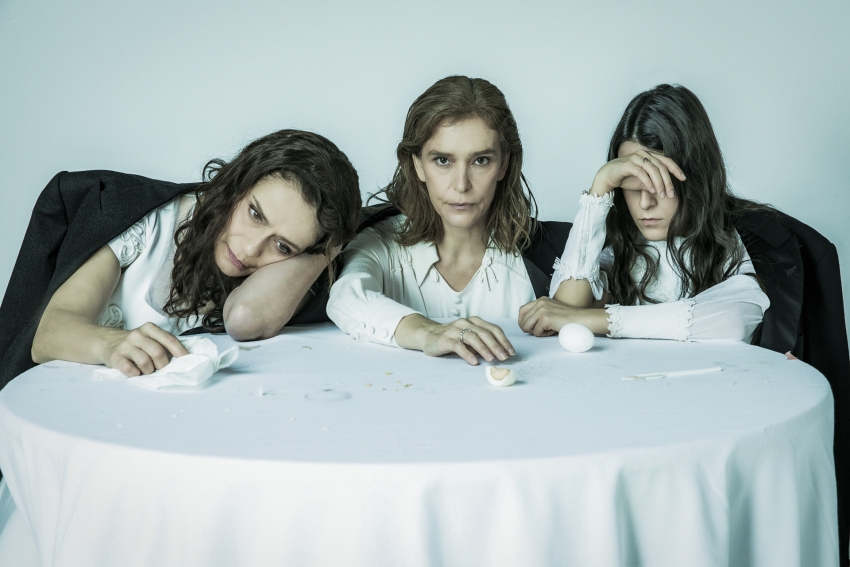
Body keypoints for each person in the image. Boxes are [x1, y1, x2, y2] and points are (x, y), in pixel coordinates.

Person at [0, 129, 361, 384]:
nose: (251, 249)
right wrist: (110, 344)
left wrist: (328, 246)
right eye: (255, 214)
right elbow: (48, 334)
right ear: (238, 182)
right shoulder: (148, 222)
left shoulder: (282, 280)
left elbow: (246, 318)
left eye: (282, 246)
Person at [327, 75, 570, 365]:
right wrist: (427, 331)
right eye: (443, 160)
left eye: (481, 160)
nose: (461, 185)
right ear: (418, 164)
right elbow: (346, 298)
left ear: (503, 164)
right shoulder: (380, 245)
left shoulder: (544, 256)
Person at [519, 84, 770, 342]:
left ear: (694, 177)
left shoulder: (744, 241)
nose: (645, 203)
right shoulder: (621, 251)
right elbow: (565, 310)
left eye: (659, 184)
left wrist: (589, 319)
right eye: (631, 186)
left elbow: (733, 321)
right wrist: (599, 188)